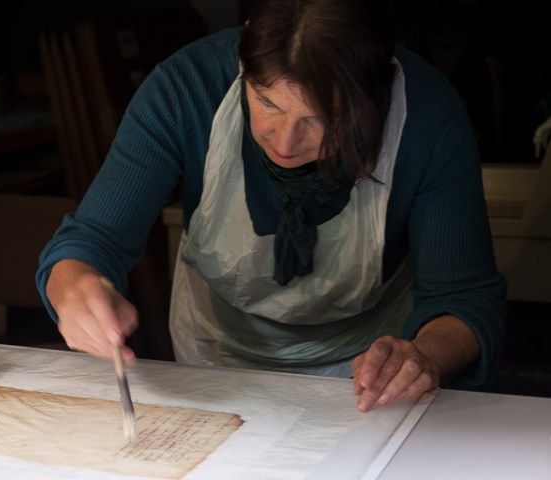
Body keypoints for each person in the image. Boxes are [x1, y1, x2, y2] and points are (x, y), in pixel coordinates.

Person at [36, 0, 506, 413]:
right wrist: (76, 284)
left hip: (371, 384)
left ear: (374, 93)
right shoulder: (186, 88)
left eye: (320, 118)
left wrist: (423, 356)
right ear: (245, 52)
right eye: (267, 102)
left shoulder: (428, 116)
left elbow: (464, 298)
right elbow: (93, 240)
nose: (284, 141)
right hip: (212, 365)